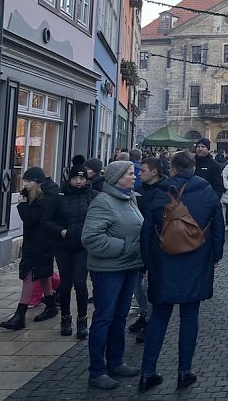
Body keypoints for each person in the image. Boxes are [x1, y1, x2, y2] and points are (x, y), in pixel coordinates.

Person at [138, 150, 225, 392]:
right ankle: (184, 371)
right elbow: (218, 226)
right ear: (193, 168)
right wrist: (215, 257)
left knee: (159, 316)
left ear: (173, 169)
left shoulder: (158, 193)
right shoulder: (207, 191)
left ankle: (147, 372)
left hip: (163, 261)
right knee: (189, 317)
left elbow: (146, 232)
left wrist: (146, 262)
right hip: (196, 261)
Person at [81, 160, 144, 390]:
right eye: (130, 174)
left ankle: (115, 361)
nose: (134, 176)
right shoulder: (103, 202)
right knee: (104, 318)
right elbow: (91, 238)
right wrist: (126, 247)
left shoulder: (130, 198)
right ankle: (96, 371)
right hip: (108, 270)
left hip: (128, 267)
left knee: (119, 317)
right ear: (117, 178)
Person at [0, 167, 60, 331]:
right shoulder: (34, 197)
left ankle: (20, 315)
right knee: (43, 274)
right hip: (37, 242)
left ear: (37, 183)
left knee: (29, 275)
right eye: (24, 180)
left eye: (28, 181)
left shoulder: (43, 201)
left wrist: (22, 205)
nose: (24, 184)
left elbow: (31, 219)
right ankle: (51, 305)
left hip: (40, 243)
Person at [51, 164, 97, 339]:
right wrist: (60, 231)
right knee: (65, 283)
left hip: (83, 246)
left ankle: (82, 320)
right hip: (63, 246)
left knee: (80, 283)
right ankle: (65, 318)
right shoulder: (59, 197)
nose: (78, 181)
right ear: (69, 179)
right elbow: (48, 221)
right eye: (75, 178)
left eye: (82, 178)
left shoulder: (93, 196)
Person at [129, 158, 169, 343]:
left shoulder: (165, 191)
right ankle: (144, 315)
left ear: (154, 172)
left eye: (142, 171)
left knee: (148, 286)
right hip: (137, 242)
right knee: (137, 285)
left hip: (155, 245)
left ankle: (151, 322)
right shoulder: (136, 192)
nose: (138, 174)